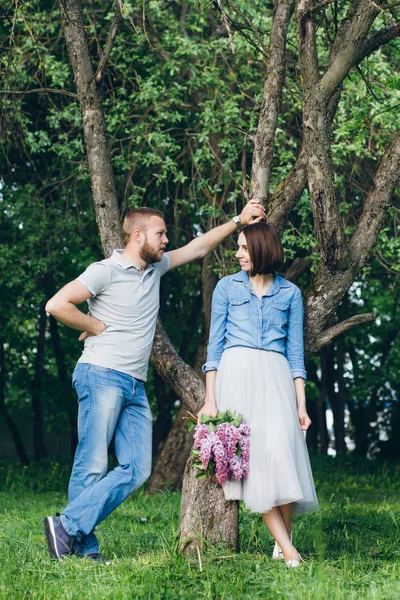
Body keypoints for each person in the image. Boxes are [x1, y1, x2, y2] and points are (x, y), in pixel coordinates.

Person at [44, 202, 265, 562]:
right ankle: (82, 547)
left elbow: (198, 248)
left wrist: (238, 221)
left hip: (133, 384)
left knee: (138, 468)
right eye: (160, 233)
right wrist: (94, 325)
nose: (166, 240)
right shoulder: (106, 271)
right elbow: (57, 305)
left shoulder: (156, 268)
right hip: (101, 374)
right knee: (93, 464)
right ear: (137, 235)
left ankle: (67, 527)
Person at [198, 222, 318, 567]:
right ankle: (290, 551)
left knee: (282, 455)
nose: (237, 254)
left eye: (244, 249)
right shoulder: (226, 287)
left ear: (262, 250)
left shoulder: (290, 294)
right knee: (253, 464)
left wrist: (301, 404)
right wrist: (210, 400)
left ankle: (285, 540)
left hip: (277, 377)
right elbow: (214, 347)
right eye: (237, 247)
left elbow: (295, 355)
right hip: (237, 375)